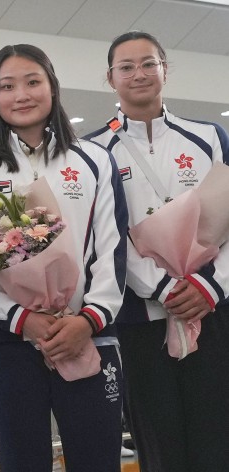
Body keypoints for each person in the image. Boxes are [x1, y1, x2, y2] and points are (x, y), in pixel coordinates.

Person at [0, 44, 127, 472]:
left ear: (52, 87)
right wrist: (21, 318)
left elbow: (113, 247)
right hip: (6, 343)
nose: (21, 94)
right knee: (21, 463)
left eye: (32, 82)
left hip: (88, 337)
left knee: (97, 462)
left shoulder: (94, 160)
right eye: (6, 86)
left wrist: (88, 320)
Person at [85, 31, 229, 472]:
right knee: (159, 443)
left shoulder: (209, 137)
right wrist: (162, 287)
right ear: (110, 78)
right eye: (126, 67)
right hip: (140, 320)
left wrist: (211, 285)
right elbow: (104, 237)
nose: (139, 74)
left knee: (218, 436)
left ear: (166, 68)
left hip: (213, 312)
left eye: (149, 63)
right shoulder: (94, 151)